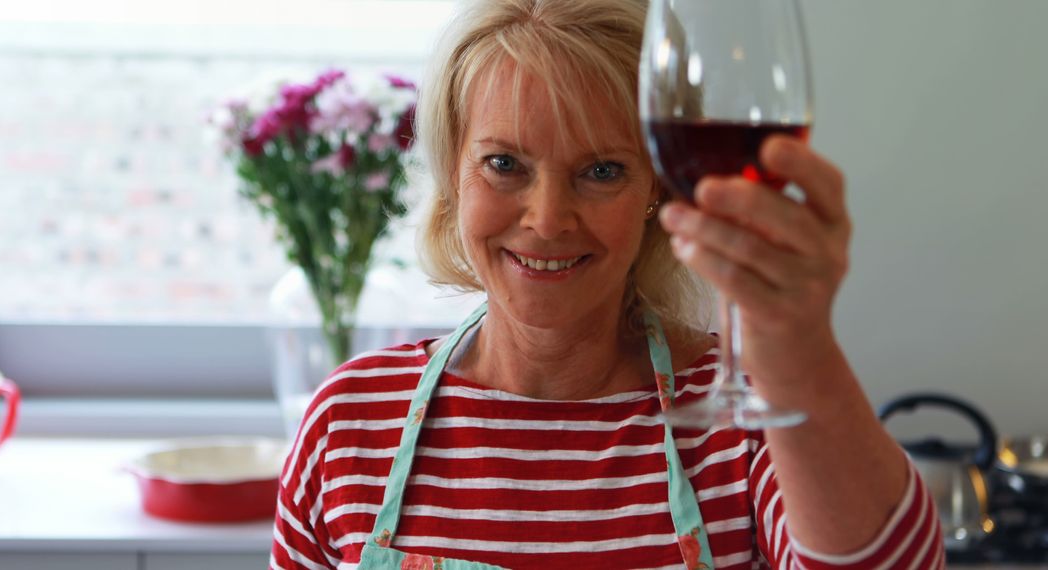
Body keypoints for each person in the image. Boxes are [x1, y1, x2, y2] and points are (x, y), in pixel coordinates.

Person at [272, 1, 944, 568]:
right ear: (454, 176)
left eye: (601, 171)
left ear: (658, 185)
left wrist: (799, 341)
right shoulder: (350, 423)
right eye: (504, 163)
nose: (547, 219)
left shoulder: (741, 422)